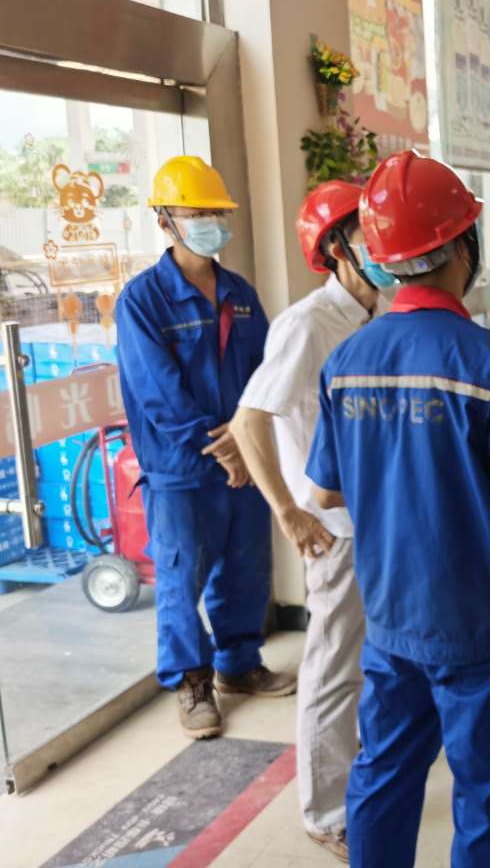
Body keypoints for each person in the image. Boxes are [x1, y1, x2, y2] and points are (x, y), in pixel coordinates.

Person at [304, 151, 490, 867]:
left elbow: (325, 491)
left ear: (387, 260)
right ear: (462, 248)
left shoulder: (347, 361)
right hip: (481, 623)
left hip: (392, 616)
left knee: (384, 772)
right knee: (486, 792)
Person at [231, 181, 393, 862]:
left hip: (380, 521)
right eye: (366, 234)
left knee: (374, 664)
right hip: (336, 532)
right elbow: (249, 420)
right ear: (335, 249)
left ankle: (364, 781)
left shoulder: (379, 314)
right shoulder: (308, 324)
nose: (382, 245)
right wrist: (289, 512)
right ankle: (325, 813)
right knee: (332, 670)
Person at [116, 155, 296, 741]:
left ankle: (238, 664)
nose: (209, 224)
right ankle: (192, 683)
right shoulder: (142, 300)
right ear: (165, 221)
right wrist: (219, 445)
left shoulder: (239, 293)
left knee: (245, 567)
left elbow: (266, 370)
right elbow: (156, 390)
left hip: (243, 456)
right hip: (182, 468)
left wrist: (248, 441)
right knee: (180, 578)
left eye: (216, 213)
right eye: (196, 213)